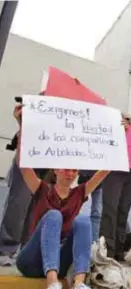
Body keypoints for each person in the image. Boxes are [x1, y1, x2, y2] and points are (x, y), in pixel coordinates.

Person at [13, 104, 110, 289]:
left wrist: (121, 134)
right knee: (53, 215)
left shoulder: (79, 193)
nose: (70, 173)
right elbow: (23, 163)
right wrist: (21, 125)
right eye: (66, 168)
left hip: (60, 261)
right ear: (56, 169)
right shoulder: (41, 189)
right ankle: (52, 283)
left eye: (74, 170)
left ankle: (79, 283)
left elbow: (104, 171)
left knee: (83, 220)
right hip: (31, 261)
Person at [100, 113, 131, 261]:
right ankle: (107, 249)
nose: (127, 123)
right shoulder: (111, 135)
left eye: (130, 120)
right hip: (113, 172)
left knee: (123, 212)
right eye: (125, 119)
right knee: (110, 211)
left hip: (130, 173)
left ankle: (119, 250)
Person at [78, 170, 103, 242]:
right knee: (75, 210)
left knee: (97, 213)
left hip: (99, 179)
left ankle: (93, 242)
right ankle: (75, 238)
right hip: (85, 176)